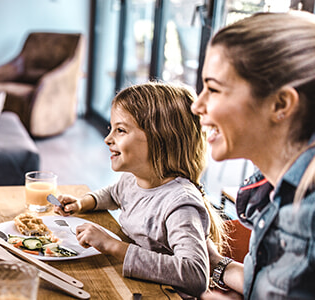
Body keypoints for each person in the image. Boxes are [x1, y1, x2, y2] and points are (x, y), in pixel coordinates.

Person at [53, 82, 227, 297]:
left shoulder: (180, 203)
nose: (108, 139)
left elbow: (195, 275)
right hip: (133, 284)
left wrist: (113, 246)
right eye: (111, 129)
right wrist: (82, 203)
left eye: (121, 130)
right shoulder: (132, 180)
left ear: (161, 139)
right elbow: (113, 194)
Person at [191, 11, 315, 300]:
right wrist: (216, 264)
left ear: (280, 103)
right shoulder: (276, 191)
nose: (198, 105)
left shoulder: (307, 214)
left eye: (213, 89)